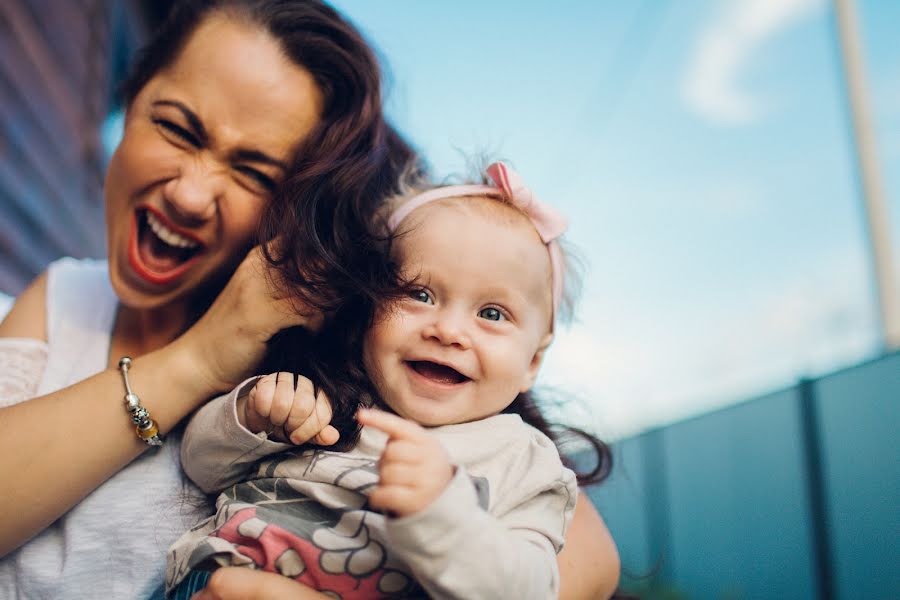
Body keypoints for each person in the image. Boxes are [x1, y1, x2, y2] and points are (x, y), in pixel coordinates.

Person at [0, 1, 619, 597]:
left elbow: (580, 565)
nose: (190, 195)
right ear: (128, 99)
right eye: (175, 127)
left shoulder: (350, 345)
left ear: (303, 203)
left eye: (255, 173)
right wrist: (202, 358)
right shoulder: (62, 298)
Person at [163, 162, 612, 599]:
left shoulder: (525, 462)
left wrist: (445, 516)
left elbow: (531, 589)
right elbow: (200, 466)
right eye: (420, 294)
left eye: (491, 314)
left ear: (533, 360)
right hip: (216, 579)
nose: (448, 331)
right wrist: (249, 415)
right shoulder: (325, 389)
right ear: (369, 309)